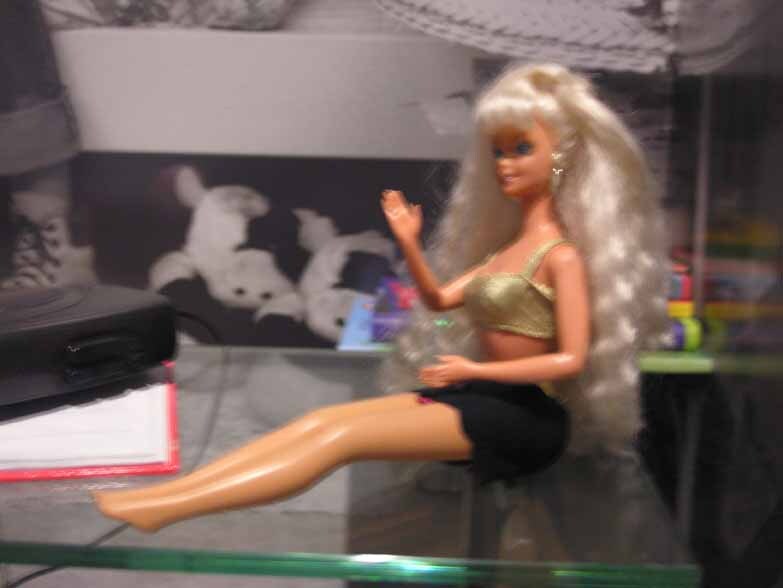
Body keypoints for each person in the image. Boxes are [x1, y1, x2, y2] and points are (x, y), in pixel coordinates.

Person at [93, 63, 669, 532]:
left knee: (342, 439)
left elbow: (569, 359)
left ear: (561, 156)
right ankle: (166, 496)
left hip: (524, 422)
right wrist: (411, 244)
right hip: (482, 396)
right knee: (323, 419)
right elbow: (440, 300)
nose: (505, 164)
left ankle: (168, 509)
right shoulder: (509, 247)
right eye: (498, 151)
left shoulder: (562, 257)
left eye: (521, 148)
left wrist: (472, 367)